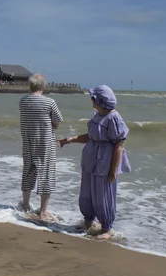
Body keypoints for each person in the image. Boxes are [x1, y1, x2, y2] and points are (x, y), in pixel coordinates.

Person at [59, 85, 130, 239]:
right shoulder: (97, 115)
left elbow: (119, 145)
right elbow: (92, 136)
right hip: (91, 160)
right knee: (87, 193)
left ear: (101, 101)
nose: (91, 101)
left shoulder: (113, 118)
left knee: (103, 195)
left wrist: (113, 169)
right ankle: (89, 221)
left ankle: (107, 229)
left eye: (93, 98)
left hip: (105, 162)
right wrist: (70, 139)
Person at [19, 74, 63, 221]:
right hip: (45, 142)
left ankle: (25, 205)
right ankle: (43, 210)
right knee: (46, 174)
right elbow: (57, 121)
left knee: (28, 171)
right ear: (43, 86)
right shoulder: (49, 102)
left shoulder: (23, 101)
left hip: (28, 140)